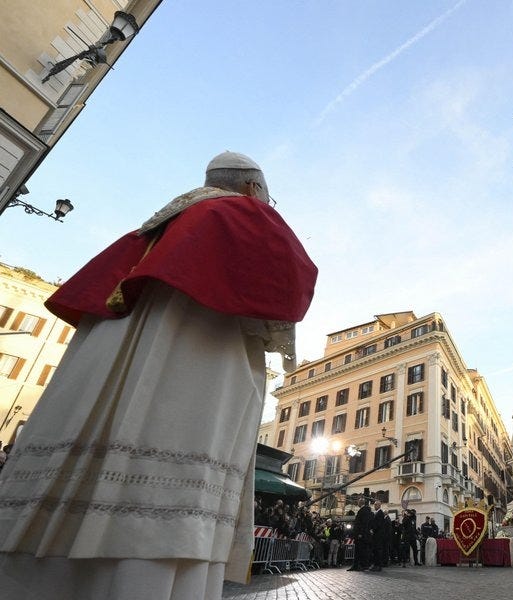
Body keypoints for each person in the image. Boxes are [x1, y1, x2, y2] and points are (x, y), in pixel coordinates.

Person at [0, 152, 317, 599]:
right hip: (193, 360)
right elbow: (294, 279)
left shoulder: (156, 228)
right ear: (251, 190)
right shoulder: (241, 216)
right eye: (269, 198)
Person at [349, 498, 373, 571]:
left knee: (361, 551)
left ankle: (362, 565)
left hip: (361, 535)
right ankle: (357, 565)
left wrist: (360, 533)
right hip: (362, 535)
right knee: (359, 551)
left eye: (358, 502)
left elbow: (363, 523)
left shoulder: (363, 511)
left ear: (360, 503)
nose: (357, 503)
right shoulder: (366, 510)